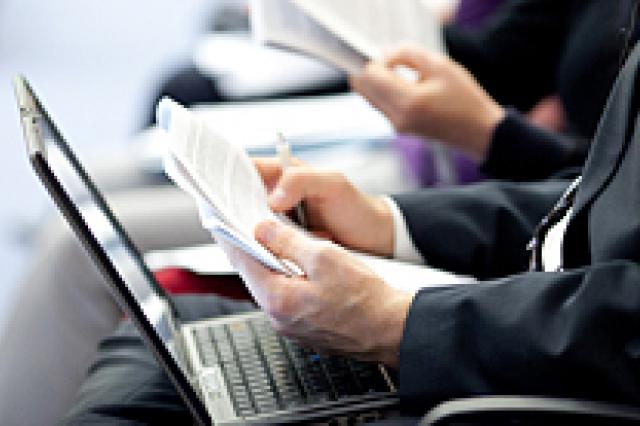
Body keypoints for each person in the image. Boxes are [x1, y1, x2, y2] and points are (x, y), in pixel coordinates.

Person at [63, 34, 640, 423]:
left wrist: (399, 325)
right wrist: (388, 221)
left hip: (548, 378)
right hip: (529, 319)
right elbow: (600, 196)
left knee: (150, 367)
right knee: (167, 338)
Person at [353, 0, 639, 181]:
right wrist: (382, 27)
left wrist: (488, 134)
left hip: (584, 226)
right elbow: (504, 63)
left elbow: (623, 190)